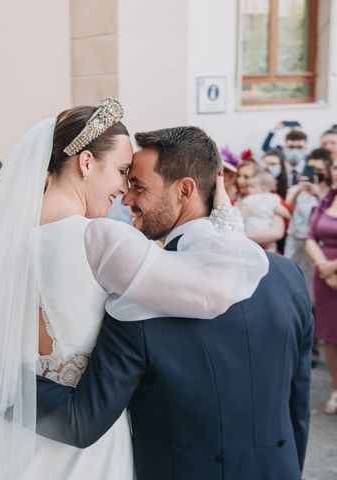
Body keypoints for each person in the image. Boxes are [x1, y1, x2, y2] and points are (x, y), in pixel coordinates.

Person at [0, 100, 269, 479]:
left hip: (12, 435)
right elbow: (214, 290)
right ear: (86, 163)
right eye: (121, 171)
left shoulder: (1, 238)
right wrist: (225, 217)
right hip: (84, 448)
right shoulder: (99, 238)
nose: (123, 188)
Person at [36, 124, 312, 480]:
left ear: (184, 190)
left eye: (138, 185)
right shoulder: (288, 277)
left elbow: (82, 422)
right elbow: (298, 408)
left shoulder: (137, 299)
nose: (125, 198)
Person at [306, 163, 337, 414]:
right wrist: (322, 265)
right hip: (324, 277)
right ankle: (336, 390)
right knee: (329, 337)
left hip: (330, 269)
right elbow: (310, 236)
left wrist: (332, 265)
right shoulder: (327, 200)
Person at [286, 148, 332, 300]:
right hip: (294, 239)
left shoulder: (329, 194)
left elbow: (329, 217)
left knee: (313, 282)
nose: (315, 172)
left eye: (319, 170)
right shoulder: (295, 189)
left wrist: (318, 194)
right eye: (312, 168)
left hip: (316, 244)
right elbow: (288, 209)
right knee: (290, 275)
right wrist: (298, 190)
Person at [239, 172, 291, 252]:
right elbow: (283, 212)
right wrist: (289, 216)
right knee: (272, 246)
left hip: (252, 230)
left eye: (252, 186)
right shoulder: (274, 198)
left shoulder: (249, 199)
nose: (248, 189)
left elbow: (242, 217)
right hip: (266, 230)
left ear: (263, 189)